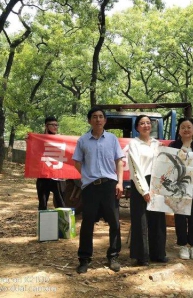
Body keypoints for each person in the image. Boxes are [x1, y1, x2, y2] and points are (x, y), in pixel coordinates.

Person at [72, 106, 124, 274]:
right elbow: (77, 162)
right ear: (89, 120)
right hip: (91, 187)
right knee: (87, 223)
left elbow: (119, 162)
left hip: (110, 185)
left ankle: (113, 256)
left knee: (114, 222)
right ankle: (84, 258)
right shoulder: (83, 140)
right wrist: (87, 176)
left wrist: (120, 182)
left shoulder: (112, 139)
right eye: (94, 116)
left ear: (105, 120)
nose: (98, 119)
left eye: (101, 116)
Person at [128, 115, 168, 266]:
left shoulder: (158, 144)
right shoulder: (134, 144)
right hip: (141, 183)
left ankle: (158, 253)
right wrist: (144, 190)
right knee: (141, 220)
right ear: (137, 127)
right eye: (142, 123)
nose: (146, 125)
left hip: (157, 184)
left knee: (158, 219)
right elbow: (135, 168)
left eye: (148, 123)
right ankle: (142, 255)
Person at [168, 118, 193, 260]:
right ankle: (183, 245)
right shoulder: (173, 145)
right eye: (183, 127)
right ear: (179, 131)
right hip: (178, 186)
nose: (186, 129)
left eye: (189, 127)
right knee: (180, 215)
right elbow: (167, 164)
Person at [36, 116, 65, 210]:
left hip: (57, 176)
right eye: (53, 125)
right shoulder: (39, 140)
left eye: (57, 125)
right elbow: (34, 153)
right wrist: (29, 140)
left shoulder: (61, 139)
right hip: (43, 176)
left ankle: (64, 224)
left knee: (61, 203)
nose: (55, 127)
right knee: (43, 204)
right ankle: (44, 224)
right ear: (46, 126)